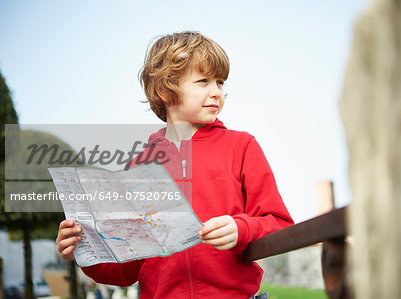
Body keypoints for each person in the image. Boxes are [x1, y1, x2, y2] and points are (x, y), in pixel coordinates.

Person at [56, 31, 294, 299]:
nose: (216, 92)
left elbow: (280, 224)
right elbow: (128, 269)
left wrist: (242, 229)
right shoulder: (138, 164)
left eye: (220, 82)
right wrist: (84, 250)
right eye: (203, 81)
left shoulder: (242, 146)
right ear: (164, 90)